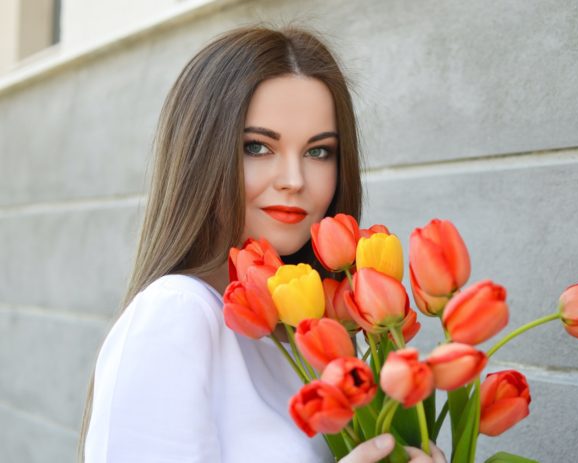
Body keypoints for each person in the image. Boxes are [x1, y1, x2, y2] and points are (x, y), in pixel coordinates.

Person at [78, 26, 447, 462]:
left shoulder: (314, 335)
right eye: (257, 147)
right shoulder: (177, 313)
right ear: (200, 156)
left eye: (318, 152)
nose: (293, 180)